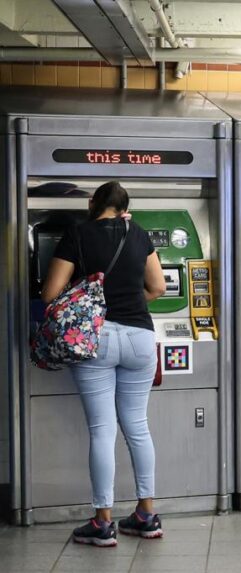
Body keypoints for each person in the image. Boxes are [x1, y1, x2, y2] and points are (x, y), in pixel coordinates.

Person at [41, 181, 167, 546]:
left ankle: (102, 521)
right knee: (138, 426)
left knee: (102, 429)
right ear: (125, 207)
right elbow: (157, 288)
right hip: (141, 338)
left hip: (96, 338)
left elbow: (50, 293)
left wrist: (91, 305)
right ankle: (146, 514)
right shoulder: (139, 233)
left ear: (93, 203)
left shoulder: (77, 234)